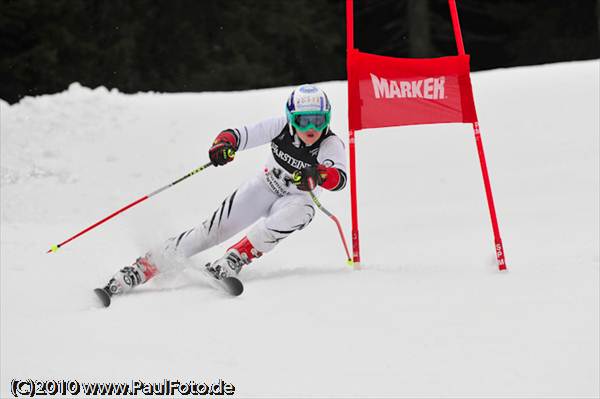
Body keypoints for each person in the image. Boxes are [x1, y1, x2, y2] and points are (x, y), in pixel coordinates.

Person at [99, 84, 347, 299]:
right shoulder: (280, 127)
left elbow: (340, 178)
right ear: (291, 118)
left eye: (318, 119)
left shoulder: (330, 144)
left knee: (304, 211)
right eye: (304, 120)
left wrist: (320, 174)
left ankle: (235, 258)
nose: (311, 128)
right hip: (264, 187)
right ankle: (144, 267)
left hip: (295, 199)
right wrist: (224, 145)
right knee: (210, 231)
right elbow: (239, 135)